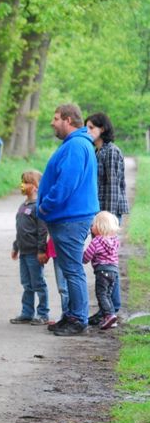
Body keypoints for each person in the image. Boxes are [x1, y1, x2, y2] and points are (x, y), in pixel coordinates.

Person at [37, 104, 99, 336]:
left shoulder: (75, 146)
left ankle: (78, 319)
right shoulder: (77, 144)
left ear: (68, 120)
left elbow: (66, 184)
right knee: (69, 269)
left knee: (72, 270)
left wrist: (46, 205)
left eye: (56, 118)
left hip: (70, 218)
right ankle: (71, 315)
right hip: (69, 217)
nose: (52, 123)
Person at [85, 112, 128, 322]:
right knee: (101, 261)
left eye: (91, 127)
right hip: (99, 213)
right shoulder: (96, 151)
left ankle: (112, 308)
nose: (88, 131)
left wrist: (106, 221)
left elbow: (112, 186)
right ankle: (106, 308)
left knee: (107, 262)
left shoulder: (111, 152)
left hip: (107, 215)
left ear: (102, 129)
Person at [9, 170, 50, 325]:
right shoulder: (22, 206)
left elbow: (42, 230)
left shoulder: (37, 207)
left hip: (34, 252)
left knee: (38, 283)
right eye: (22, 181)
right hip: (24, 252)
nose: (22, 185)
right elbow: (20, 229)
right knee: (26, 284)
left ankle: (43, 314)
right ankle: (27, 312)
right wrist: (16, 246)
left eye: (26, 182)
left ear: (35, 187)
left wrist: (41, 250)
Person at [82, 211, 121, 330]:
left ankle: (109, 315)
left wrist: (80, 256)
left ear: (99, 227)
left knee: (101, 294)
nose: (91, 227)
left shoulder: (96, 241)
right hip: (114, 271)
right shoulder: (115, 240)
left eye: (93, 225)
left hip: (102, 271)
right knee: (108, 294)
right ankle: (111, 318)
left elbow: (86, 258)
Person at [44, 237, 69, 330]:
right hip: (57, 250)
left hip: (66, 249)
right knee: (63, 287)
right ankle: (66, 314)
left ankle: (68, 314)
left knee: (65, 287)